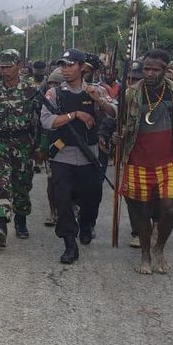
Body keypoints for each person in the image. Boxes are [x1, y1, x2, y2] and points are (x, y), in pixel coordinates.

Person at [41, 49, 116, 264]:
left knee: (91, 198)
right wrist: (74, 115)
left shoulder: (97, 90)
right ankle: (69, 243)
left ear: (82, 67)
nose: (65, 69)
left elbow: (115, 113)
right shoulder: (55, 94)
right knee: (62, 200)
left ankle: (86, 224)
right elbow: (46, 121)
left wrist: (99, 102)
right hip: (62, 154)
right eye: (62, 65)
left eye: (70, 65)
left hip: (89, 155)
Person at [117, 49, 173, 274]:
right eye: (146, 68)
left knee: (169, 209)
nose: (149, 73)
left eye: (155, 69)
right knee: (140, 211)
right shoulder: (131, 93)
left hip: (169, 162)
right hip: (137, 160)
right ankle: (145, 254)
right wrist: (114, 135)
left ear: (166, 71)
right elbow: (119, 117)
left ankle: (159, 248)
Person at [0, 49, 42, 246]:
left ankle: (21, 220)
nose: (4, 70)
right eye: (1, 67)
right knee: (2, 184)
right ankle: (0, 226)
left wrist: (41, 147)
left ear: (19, 66)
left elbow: (41, 121)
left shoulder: (32, 91)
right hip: (0, 145)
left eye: (8, 66)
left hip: (24, 145)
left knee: (22, 185)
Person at [42, 67, 64, 227]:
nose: (51, 86)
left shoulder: (68, 97)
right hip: (51, 143)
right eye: (50, 83)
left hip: (69, 143)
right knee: (51, 180)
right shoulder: (43, 99)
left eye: (55, 83)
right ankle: (52, 212)